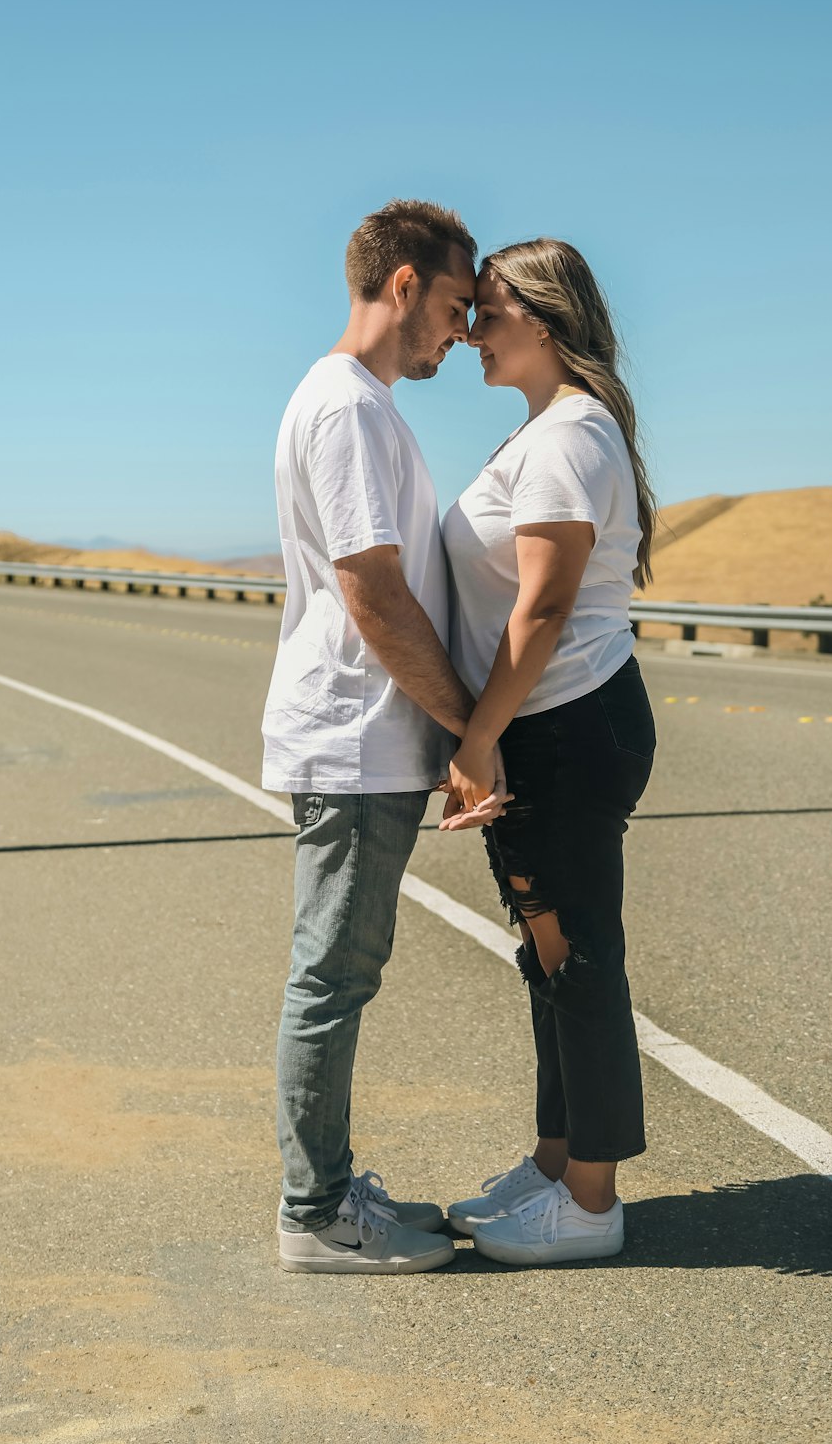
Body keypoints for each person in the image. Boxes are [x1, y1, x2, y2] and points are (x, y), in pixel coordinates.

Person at [262, 199, 507, 1275]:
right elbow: (372, 590)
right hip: (355, 736)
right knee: (332, 974)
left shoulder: (355, 401)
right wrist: (472, 726)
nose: (461, 333)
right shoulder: (350, 408)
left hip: (362, 734)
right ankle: (314, 1213)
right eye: (455, 305)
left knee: (339, 970)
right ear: (402, 283)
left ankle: (327, 1184)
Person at [440, 237, 658, 1266]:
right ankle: (553, 1162)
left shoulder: (569, 435)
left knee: (577, 957)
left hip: (564, 723)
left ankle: (591, 1199)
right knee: (548, 953)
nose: (472, 330)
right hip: (551, 721)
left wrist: (480, 732)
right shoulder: (546, 432)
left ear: (545, 317)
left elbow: (549, 600)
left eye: (489, 310)